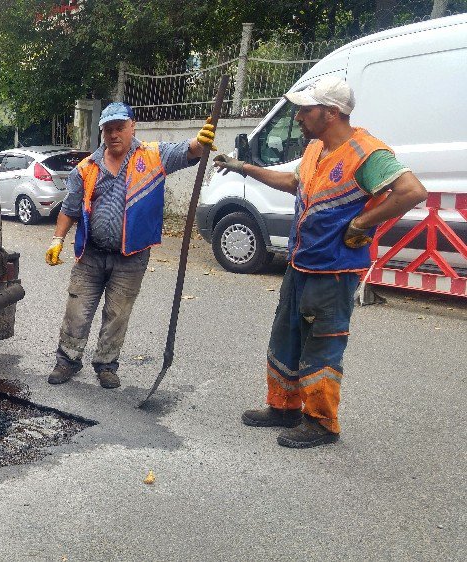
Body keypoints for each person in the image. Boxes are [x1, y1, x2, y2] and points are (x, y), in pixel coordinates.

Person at [213, 76, 427, 448]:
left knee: (322, 343)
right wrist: (243, 167)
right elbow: (293, 182)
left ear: (330, 113)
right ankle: (284, 407)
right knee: (286, 337)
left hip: (335, 270)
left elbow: (412, 192)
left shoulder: (366, 153)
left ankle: (321, 422)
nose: (298, 117)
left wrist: (361, 223)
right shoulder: (317, 148)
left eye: (305, 110)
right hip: (301, 264)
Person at [45, 102, 216, 389]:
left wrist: (201, 141)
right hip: (91, 254)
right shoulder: (86, 168)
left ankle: (106, 365)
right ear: (102, 131)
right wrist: (57, 239)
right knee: (77, 309)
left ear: (132, 126)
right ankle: (67, 361)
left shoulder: (153, 156)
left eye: (119, 128)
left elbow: (188, 150)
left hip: (131, 257)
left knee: (117, 314)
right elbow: (70, 209)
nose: (114, 134)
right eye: (108, 129)